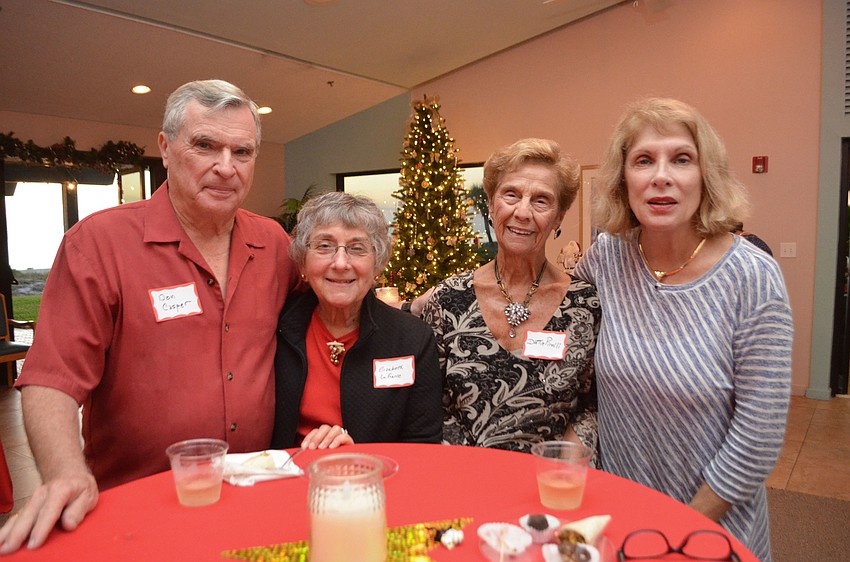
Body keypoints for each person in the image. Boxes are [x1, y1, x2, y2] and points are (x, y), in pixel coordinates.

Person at [0, 79, 300, 553]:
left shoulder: (276, 246)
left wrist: (429, 300)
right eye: (205, 146)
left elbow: (326, 315)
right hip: (134, 507)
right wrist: (64, 473)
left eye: (242, 153)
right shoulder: (99, 244)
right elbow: (52, 378)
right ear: (165, 147)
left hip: (254, 496)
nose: (226, 168)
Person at [574, 98, 792, 561]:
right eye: (644, 160)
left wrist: (679, 524)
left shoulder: (751, 276)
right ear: (623, 179)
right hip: (621, 517)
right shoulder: (606, 259)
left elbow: (760, 434)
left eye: (681, 159)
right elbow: (552, 308)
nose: (661, 176)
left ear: (705, 176)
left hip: (711, 526)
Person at [421, 138, 600, 458]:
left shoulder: (585, 304)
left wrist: (575, 451)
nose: (522, 212)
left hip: (551, 486)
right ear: (491, 205)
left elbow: (591, 404)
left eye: (541, 200)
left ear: (559, 218)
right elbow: (430, 404)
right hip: (465, 479)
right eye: (511, 194)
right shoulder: (449, 299)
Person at [271, 192, 442, 449]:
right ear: (302, 262)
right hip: (289, 479)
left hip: (380, 482)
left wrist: (358, 459)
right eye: (324, 246)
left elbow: (423, 445)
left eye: (357, 248)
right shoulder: (275, 329)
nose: (340, 263)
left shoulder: (412, 339)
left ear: (377, 265)